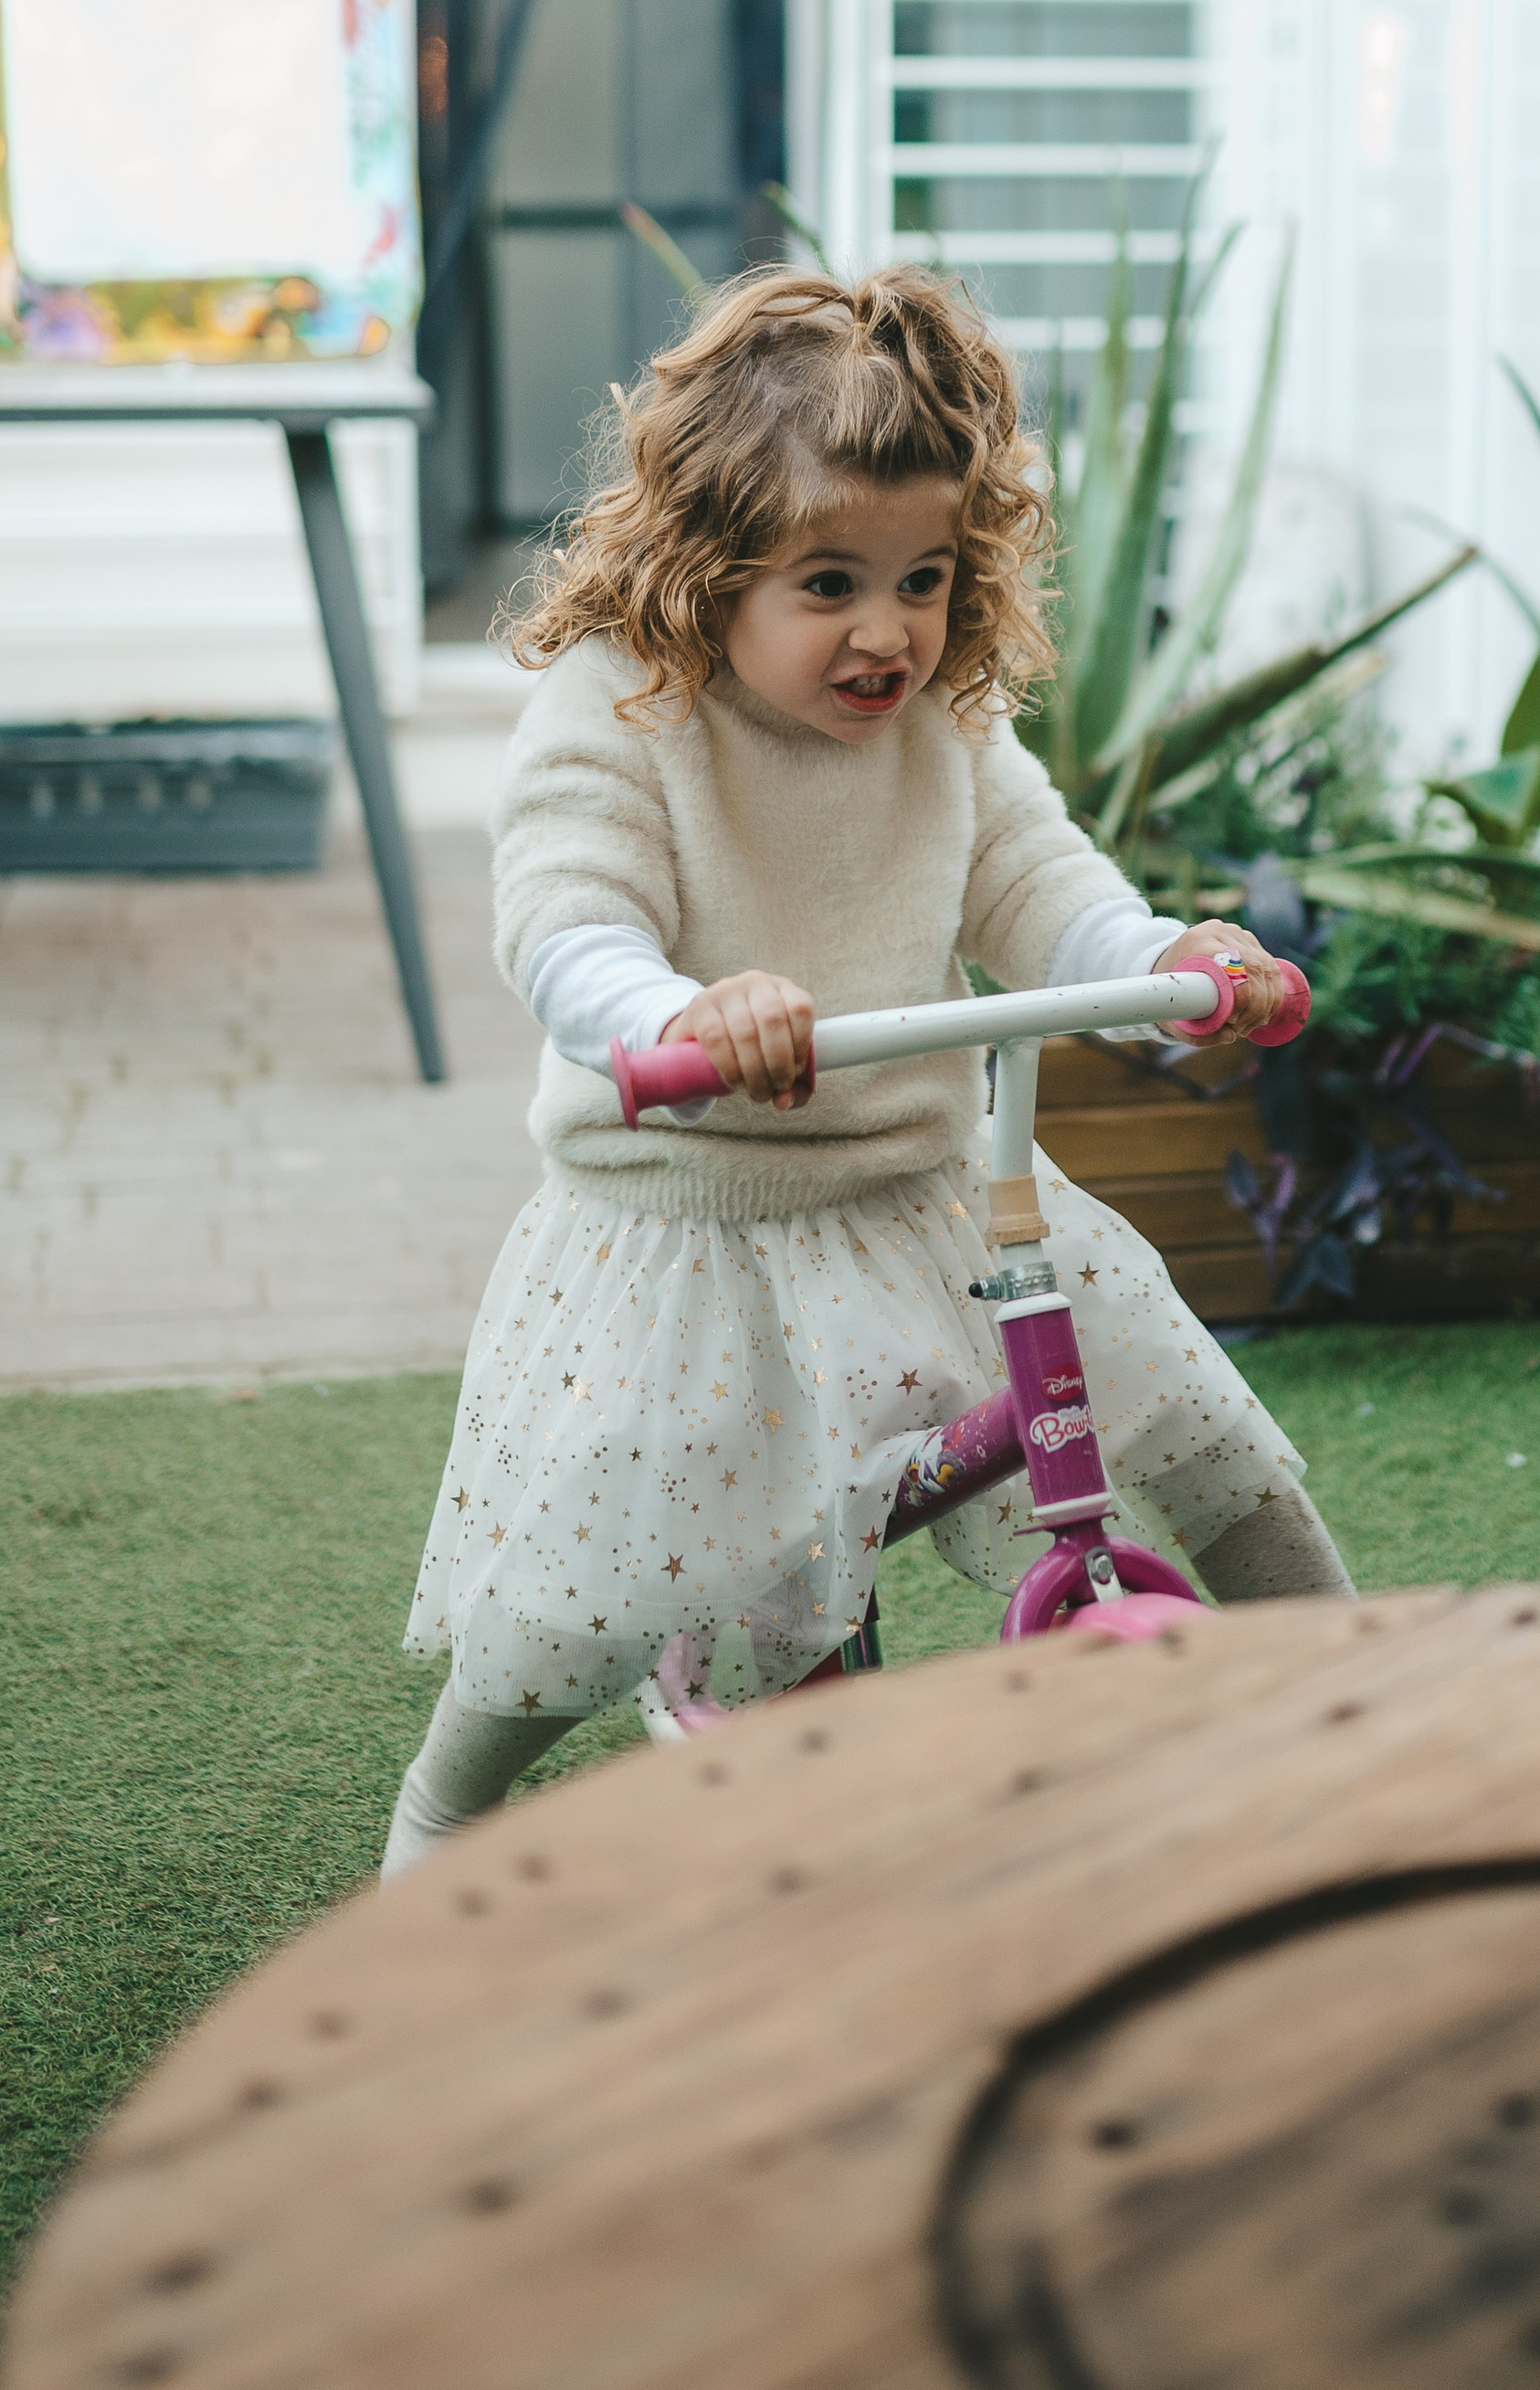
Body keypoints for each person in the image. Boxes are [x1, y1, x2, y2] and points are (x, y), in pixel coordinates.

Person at [383, 266, 1350, 1876]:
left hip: (925, 1197)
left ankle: (1355, 1700)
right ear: (709, 570)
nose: (889, 630)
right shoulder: (620, 717)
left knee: (1199, 1431)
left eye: (923, 575)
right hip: (688, 1235)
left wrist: (1166, 966)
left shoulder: (943, 723)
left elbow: (1040, 882)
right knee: (583, 1596)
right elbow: (565, 921)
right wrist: (677, 1016)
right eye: (828, 580)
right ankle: (445, 1809)